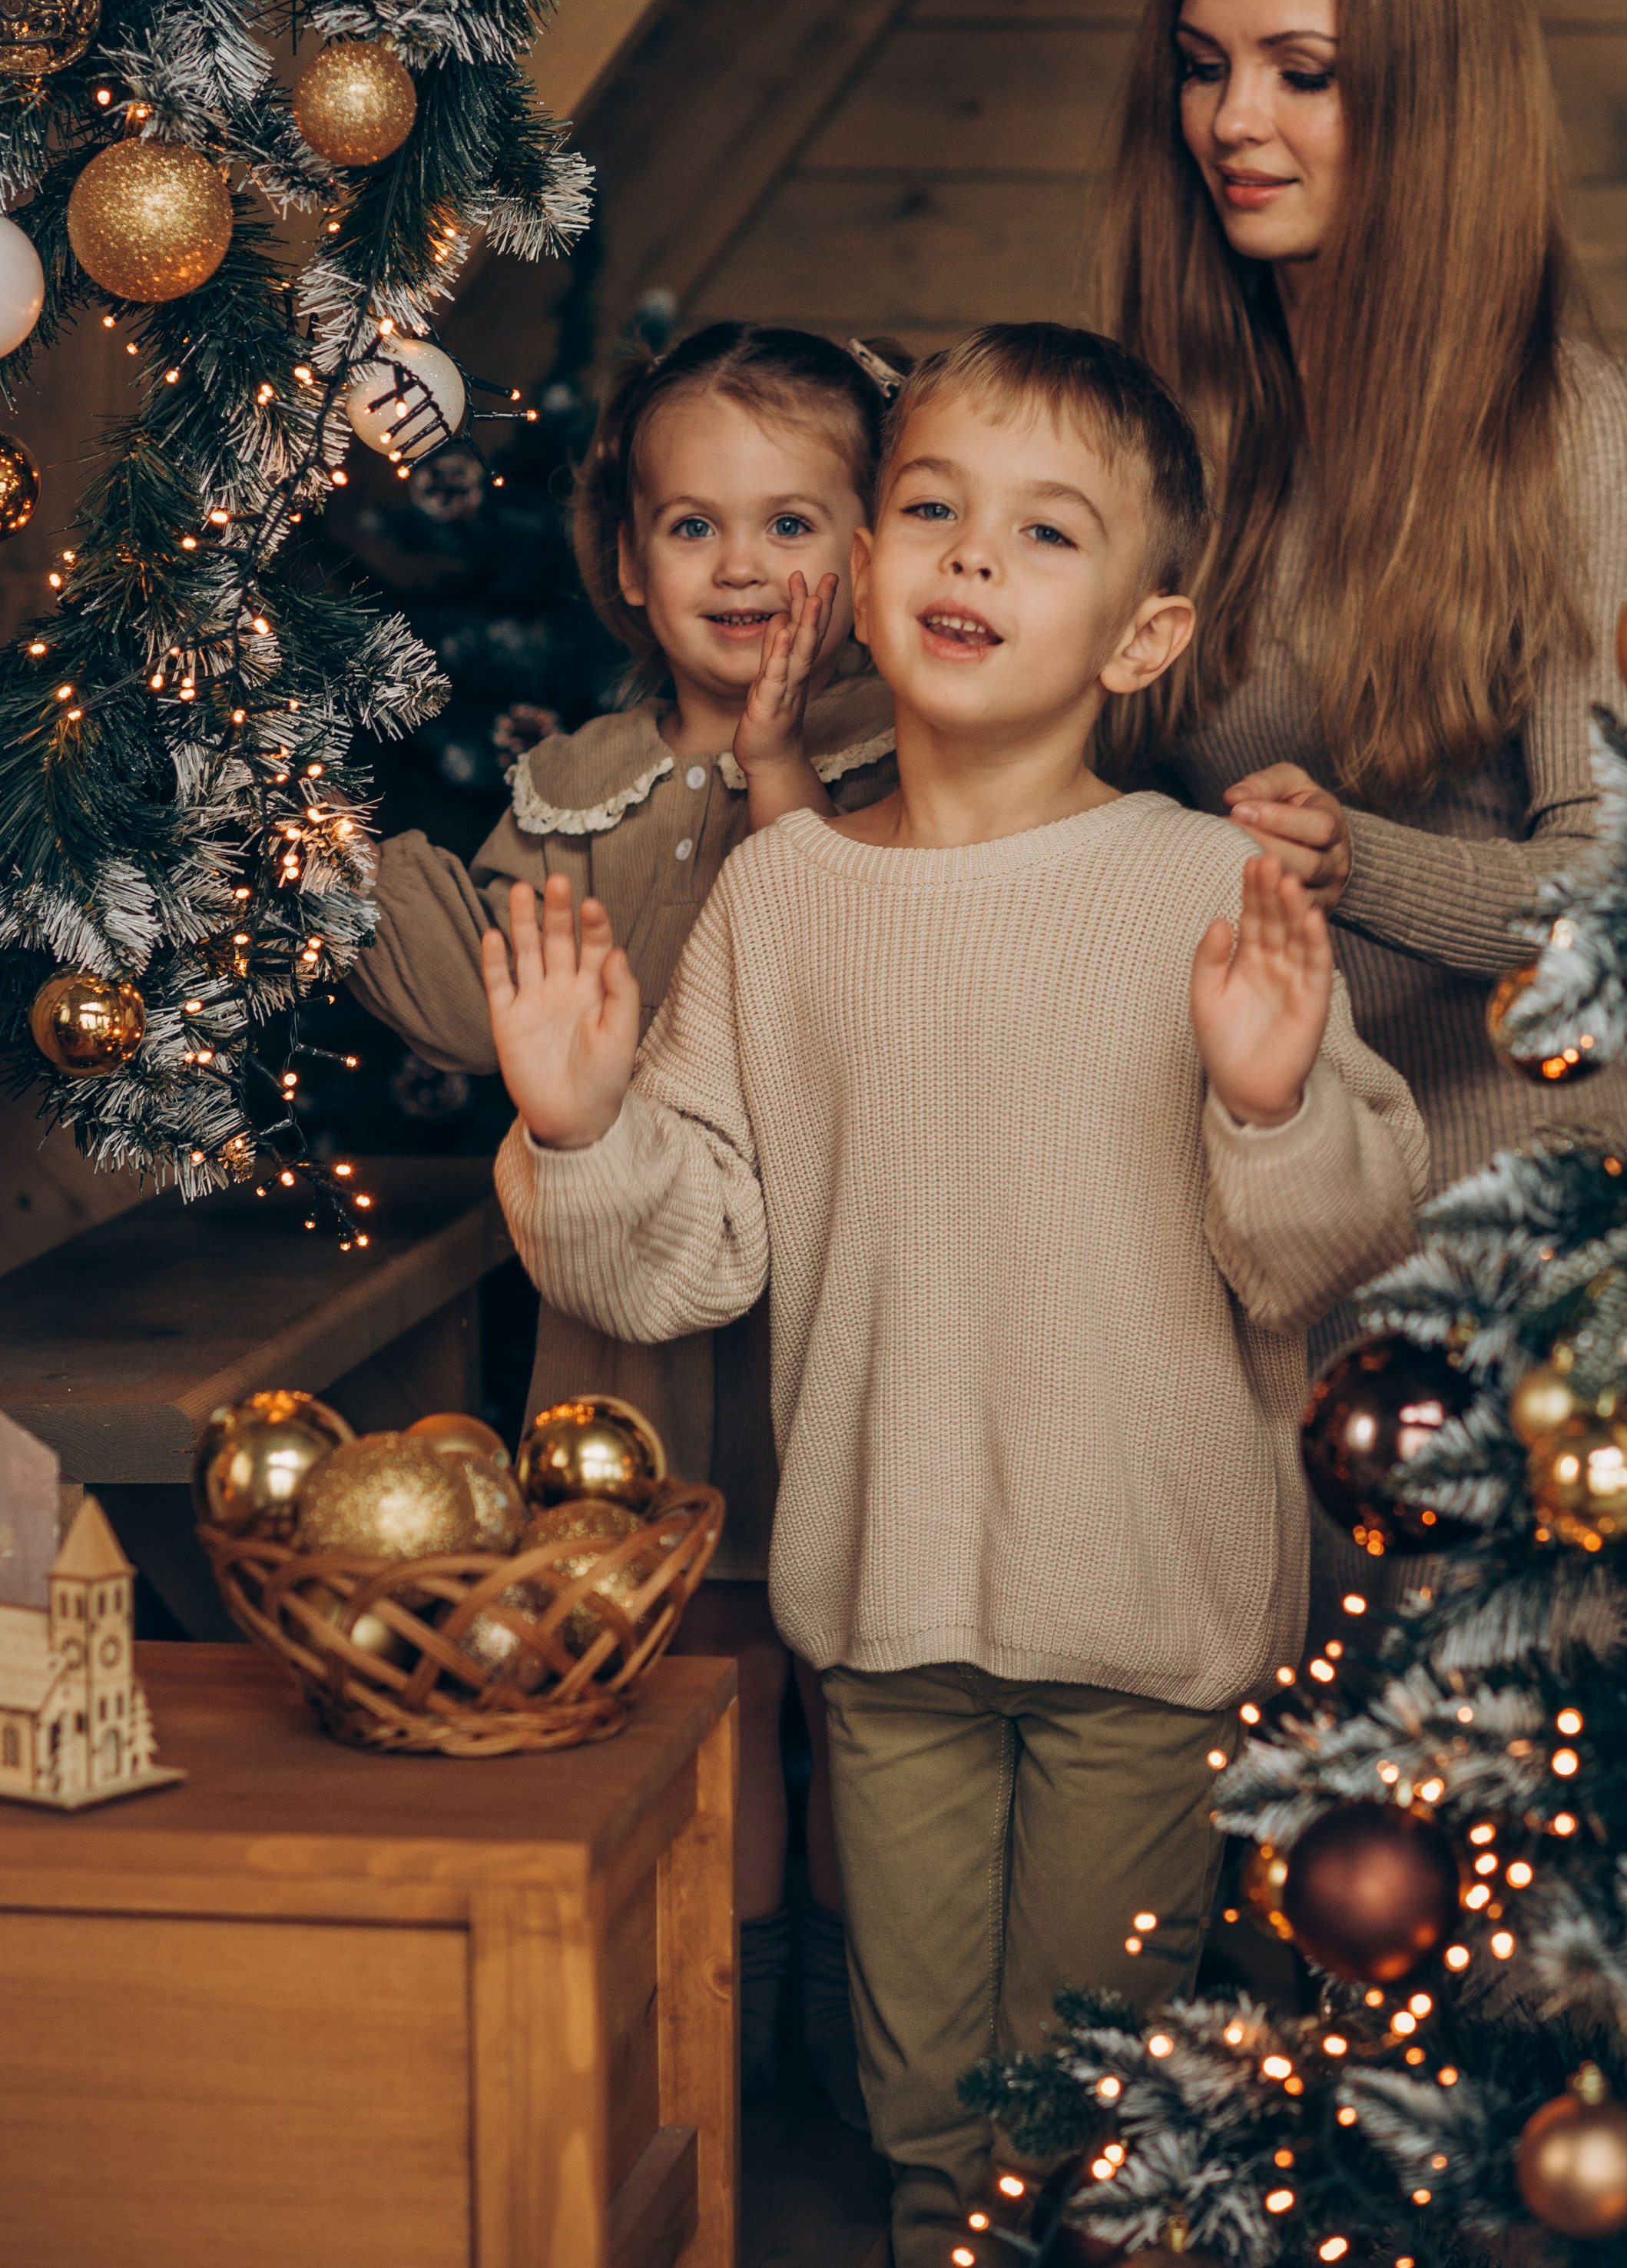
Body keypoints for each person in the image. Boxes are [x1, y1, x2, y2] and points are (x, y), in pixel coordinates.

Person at [484, 321, 1429, 2268]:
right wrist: (581, 1131)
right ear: (862, 574)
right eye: (931, 509)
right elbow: (695, 1250)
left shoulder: (1201, 890)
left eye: (1043, 532)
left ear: (1142, 639)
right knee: (923, 2117)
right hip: (887, 1600)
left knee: (1093, 2107)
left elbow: (1318, 1246)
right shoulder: (781, 901)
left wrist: (1268, 1103)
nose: (973, 555)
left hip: (1143, 1608)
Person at [349, 320, 904, 2120]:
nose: (741, 567)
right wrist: (324, 860)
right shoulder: (582, 781)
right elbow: (490, 1003)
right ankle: (720, 2048)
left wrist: (780, 769)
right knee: (698, 1678)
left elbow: (854, 988)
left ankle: (872, 2046)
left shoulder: (908, 753)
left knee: (867, 1695)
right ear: (627, 560)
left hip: (843, 1315)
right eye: (692, 525)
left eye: (791, 523)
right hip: (640, 1325)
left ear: (876, 547)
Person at [1102, 0, 1627, 1408]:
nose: (1232, 119)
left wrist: (1363, 865)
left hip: (1514, 1233)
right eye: (1202, 65)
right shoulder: (1172, 421)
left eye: (1302, 72)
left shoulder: (1566, 430)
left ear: (1429, 96)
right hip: (1253, 1207)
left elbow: (1623, 900)